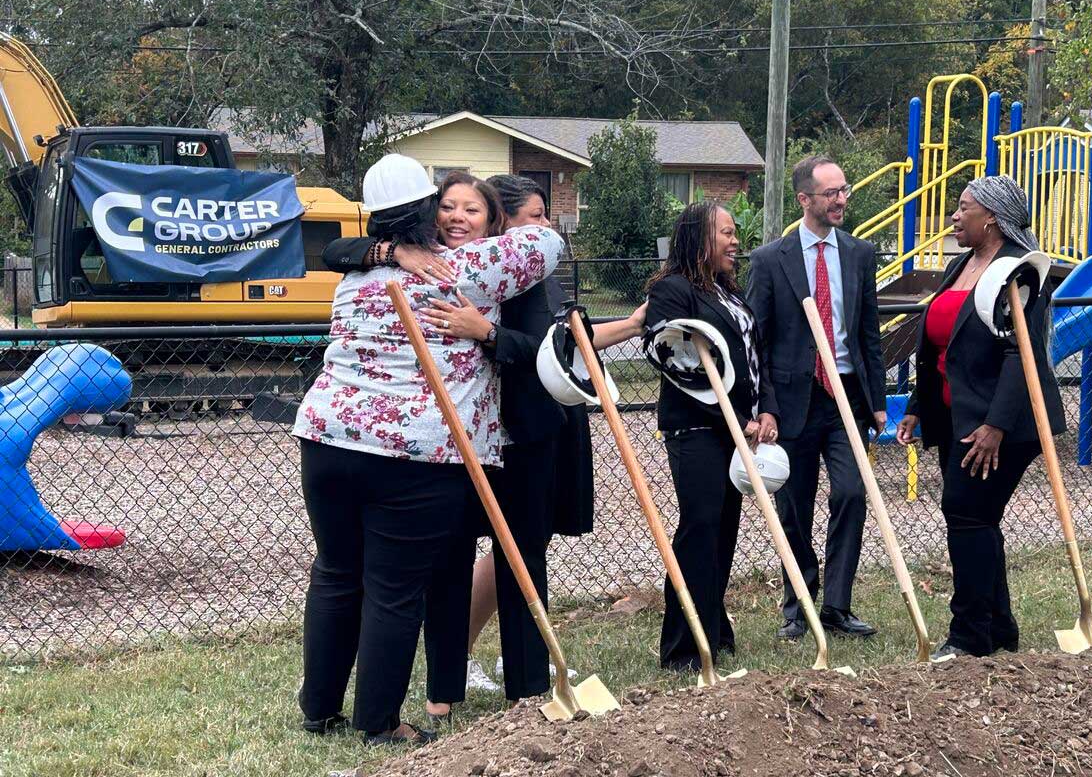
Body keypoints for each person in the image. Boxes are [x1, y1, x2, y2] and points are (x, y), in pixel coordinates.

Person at [322, 174, 643, 704]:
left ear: (496, 223)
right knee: (447, 566)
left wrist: (487, 333)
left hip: (522, 439)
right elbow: (337, 248)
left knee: (523, 563)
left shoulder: (526, 276)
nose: (457, 218)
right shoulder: (419, 261)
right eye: (447, 207)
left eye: (472, 210)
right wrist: (389, 249)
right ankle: (443, 692)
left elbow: (549, 348)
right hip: (452, 447)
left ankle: (530, 688)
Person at [294, 155, 563, 745]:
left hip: (326, 436)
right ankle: (379, 723)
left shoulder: (354, 278)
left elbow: (339, 251)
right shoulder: (469, 266)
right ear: (426, 210)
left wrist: (385, 251)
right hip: (414, 454)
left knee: (337, 573)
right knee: (394, 590)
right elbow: (546, 241)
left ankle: (319, 709)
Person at [895, 175, 1065, 660]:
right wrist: (916, 407)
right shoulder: (960, 264)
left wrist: (995, 426)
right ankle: (998, 630)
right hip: (956, 415)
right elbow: (937, 344)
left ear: (991, 217)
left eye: (963, 208)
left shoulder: (1020, 272)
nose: (954, 216)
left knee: (966, 513)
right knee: (978, 519)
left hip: (1004, 423)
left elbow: (1022, 354)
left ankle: (969, 635)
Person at [746, 155, 886, 642]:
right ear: (805, 199)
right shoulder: (769, 260)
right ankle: (798, 604)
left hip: (847, 396)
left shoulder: (860, 254)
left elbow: (868, 331)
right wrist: (763, 406)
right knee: (794, 507)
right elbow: (756, 341)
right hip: (791, 402)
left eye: (844, 190)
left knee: (851, 493)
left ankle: (837, 606)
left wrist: (879, 400)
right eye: (831, 193)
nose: (842, 199)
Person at [645, 200, 778, 670]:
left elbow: (754, 357)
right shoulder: (673, 290)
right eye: (725, 232)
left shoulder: (729, 293)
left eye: (735, 232)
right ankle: (683, 644)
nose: (735, 240)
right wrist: (734, 418)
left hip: (739, 428)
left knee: (723, 532)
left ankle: (714, 627)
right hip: (697, 427)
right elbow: (674, 360)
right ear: (698, 238)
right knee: (699, 529)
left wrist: (766, 411)